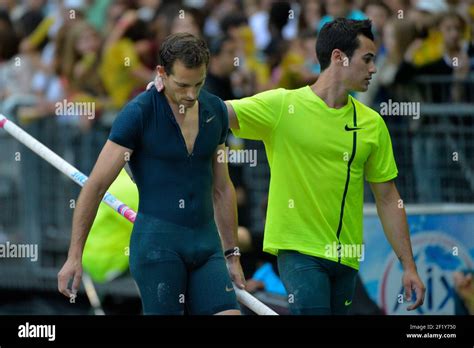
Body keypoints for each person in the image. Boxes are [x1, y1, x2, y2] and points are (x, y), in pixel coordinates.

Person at [151, 19, 426, 315]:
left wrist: (408, 265)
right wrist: (170, 87)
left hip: (347, 257)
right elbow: (217, 111)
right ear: (338, 57)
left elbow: (388, 198)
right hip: (299, 251)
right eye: (368, 59)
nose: (373, 68)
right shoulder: (283, 106)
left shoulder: (373, 124)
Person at [58, 33, 245, 315]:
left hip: (207, 246)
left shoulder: (215, 111)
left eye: (199, 83)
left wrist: (232, 254)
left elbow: (222, 187)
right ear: (161, 73)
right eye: (182, 85)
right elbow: (95, 186)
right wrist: (74, 256)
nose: (191, 95)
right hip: (158, 247)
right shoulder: (139, 114)